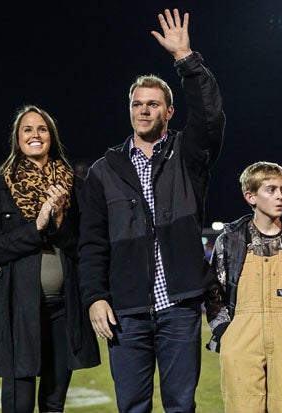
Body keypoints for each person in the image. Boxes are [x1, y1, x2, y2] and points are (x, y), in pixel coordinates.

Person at [77, 8, 225, 412]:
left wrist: (185, 59)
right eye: (138, 104)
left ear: (168, 112)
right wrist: (94, 297)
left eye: (154, 104)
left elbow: (210, 118)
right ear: (129, 109)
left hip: (178, 306)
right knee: (132, 407)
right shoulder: (103, 171)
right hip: (126, 311)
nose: (144, 110)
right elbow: (90, 244)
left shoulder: (187, 155)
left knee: (180, 405)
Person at [0, 105, 100, 413]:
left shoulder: (74, 185)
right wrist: (37, 225)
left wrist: (59, 218)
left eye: (42, 129)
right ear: (17, 139)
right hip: (19, 309)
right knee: (19, 404)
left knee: (53, 404)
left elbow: (84, 247)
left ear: (52, 137)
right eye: (27, 129)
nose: (35, 135)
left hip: (65, 309)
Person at [204, 161, 282, 412]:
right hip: (241, 336)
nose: (280, 196)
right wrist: (225, 331)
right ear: (250, 196)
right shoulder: (229, 240)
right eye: (270, 190)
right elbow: (213, 290)